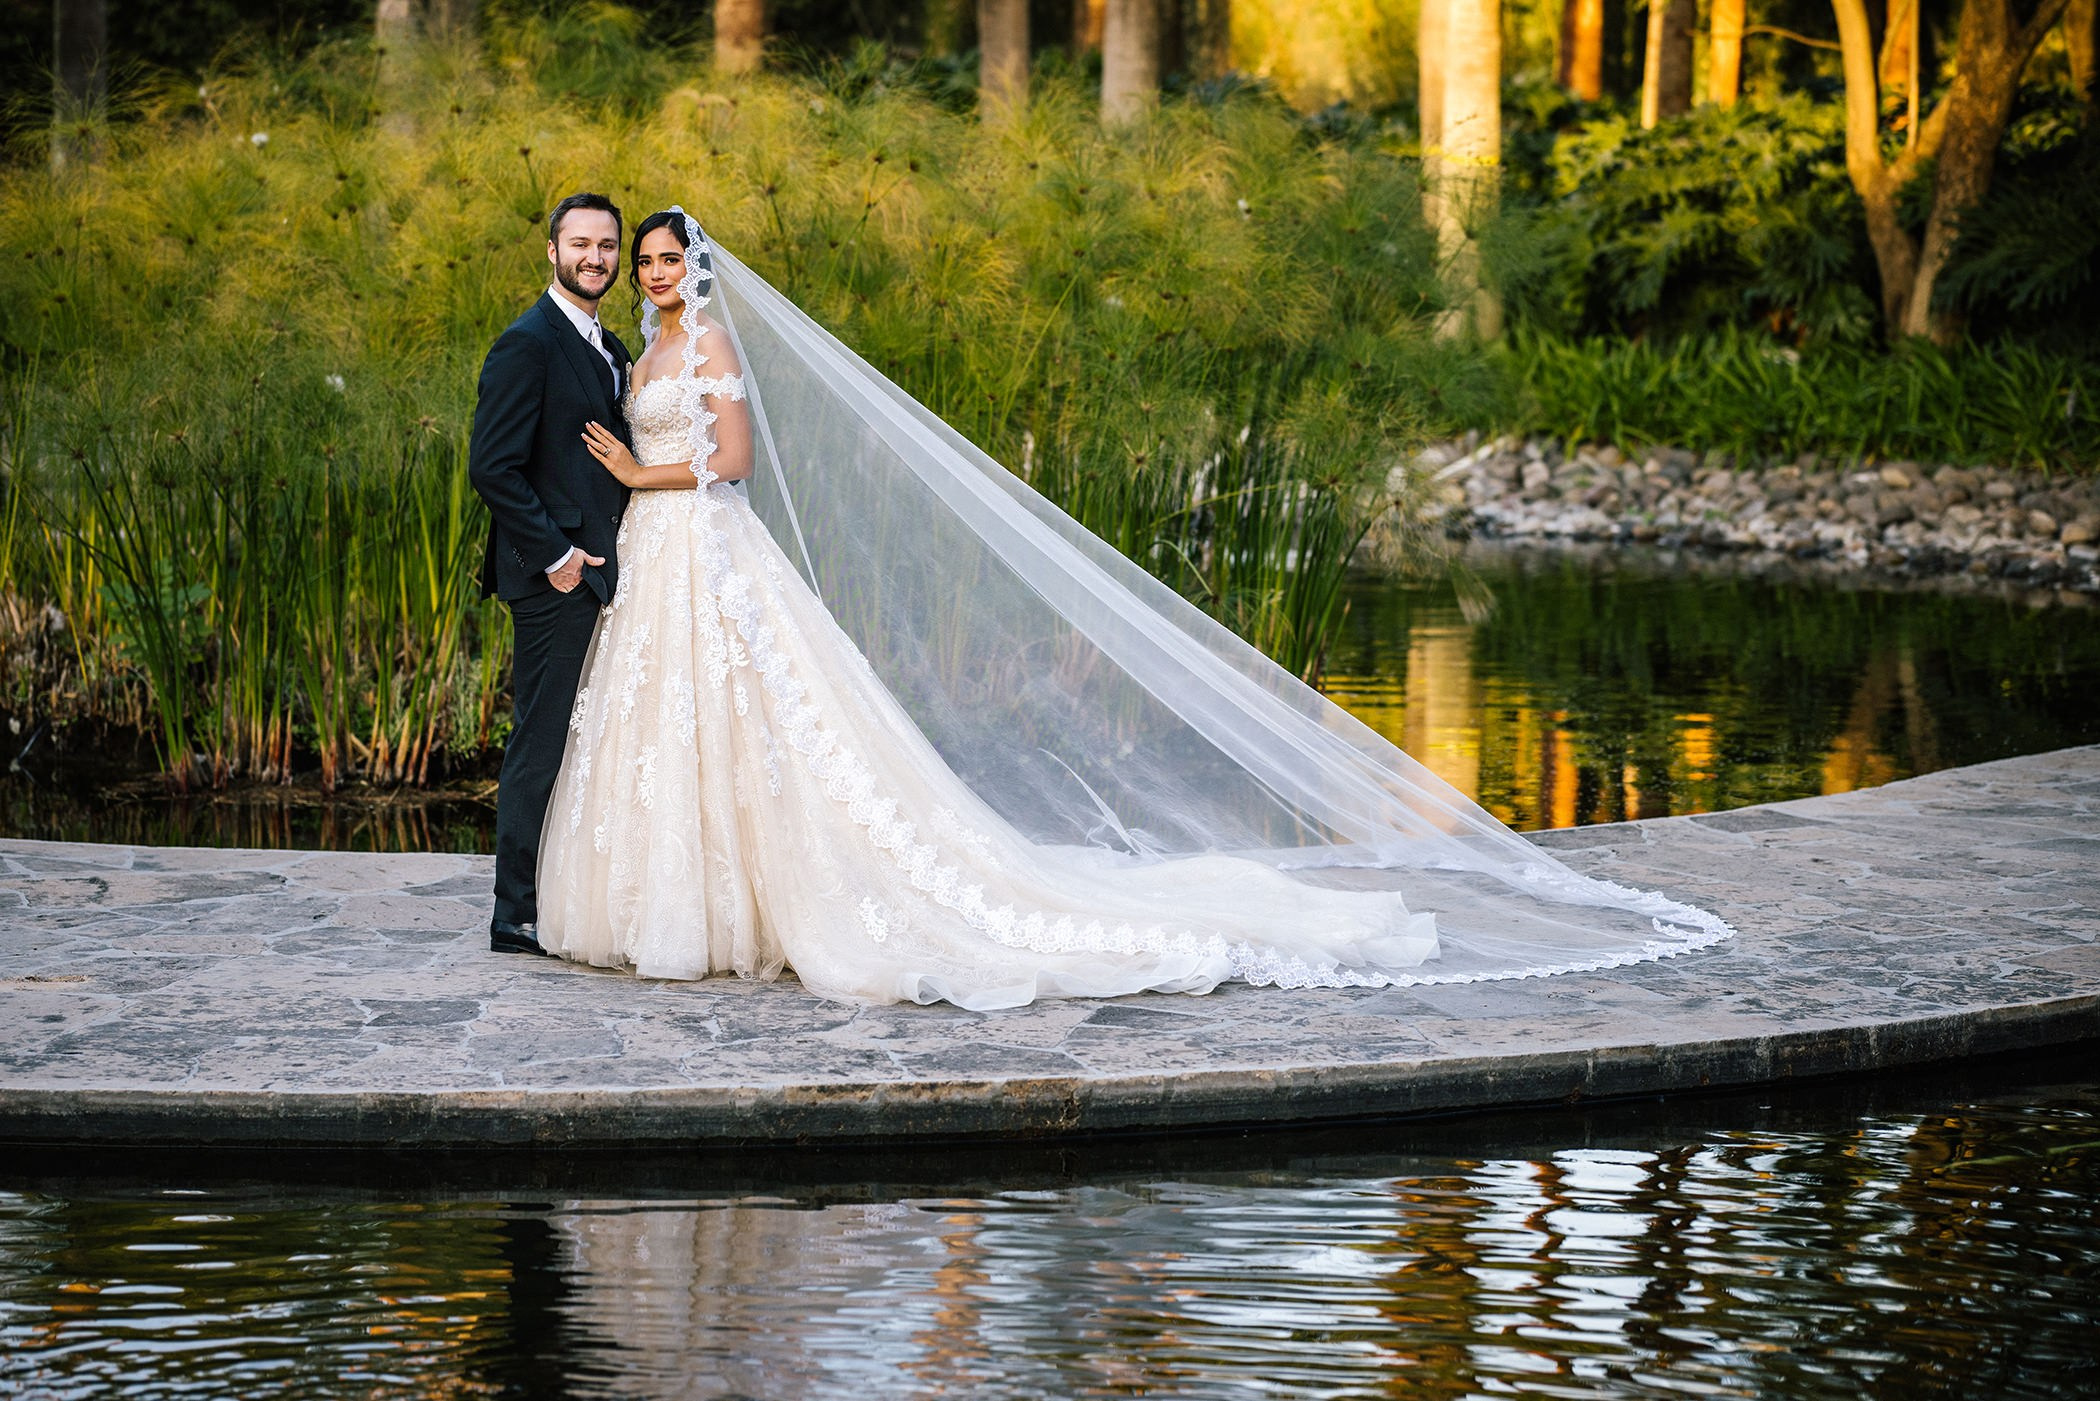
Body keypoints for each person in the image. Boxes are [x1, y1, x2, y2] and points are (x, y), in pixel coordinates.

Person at [528, 208, 1733, 1010]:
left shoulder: (712, 347)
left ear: (699, 268)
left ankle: (780, 907)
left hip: (705, 544)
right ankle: (693, 903)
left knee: (761, 719)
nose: (654, 274)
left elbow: (734, 461)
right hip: (654, 558)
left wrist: (642, 471)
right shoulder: (643, 352)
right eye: (644, 262)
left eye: (668, 260)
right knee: (674, 725)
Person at [467, 192, 635, 958]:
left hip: (609, 573)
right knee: (540, 739)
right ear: (553, 251)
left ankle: (567, 897)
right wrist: (558, 557)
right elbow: (493, 468)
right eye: (580, 244)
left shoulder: (611, 346)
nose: (594, 258)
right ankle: (514, 915)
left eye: (606, 245)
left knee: (588, 736)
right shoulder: (526, 343)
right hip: (555, 578)